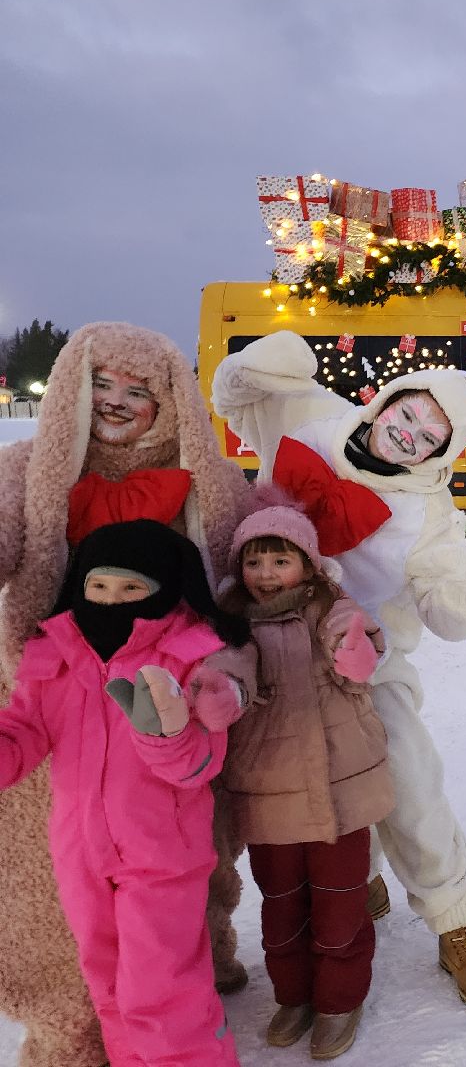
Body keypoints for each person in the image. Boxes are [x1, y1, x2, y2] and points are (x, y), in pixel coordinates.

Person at [212, 330, 466, 1008]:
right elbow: (235, 399)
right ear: (388, 400)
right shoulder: (312, 419)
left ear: (440, 453)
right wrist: (256, 366)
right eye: (409, 413)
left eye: (431, 437)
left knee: (409, 779)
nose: (410, 434)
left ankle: (452, 919)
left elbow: (448, 595)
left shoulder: (427, 511)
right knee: (234, 791)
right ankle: (198, 937)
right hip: (261, 648)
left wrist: (458, 590)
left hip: (364, 666)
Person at [0, 323, 255, 1065]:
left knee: (188, 864)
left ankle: (189, 998)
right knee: (60, 899)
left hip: (177, 688)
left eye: (137, 390)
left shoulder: (204, 475)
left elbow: (247, 555)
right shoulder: (30, 467)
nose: (115, 401)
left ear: (169, 402)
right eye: (100, 385)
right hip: (53, 685)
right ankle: (75, 1026)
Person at [219, 500, 393, 1058]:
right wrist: (222, 694)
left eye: (281, 560)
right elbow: (229, 669)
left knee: (341, 906)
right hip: (268, 793)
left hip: (341, 787)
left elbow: (356, 639)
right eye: (254, 562)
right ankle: (294, 996)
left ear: (308, 565)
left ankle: (339, 1000)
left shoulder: (330, 607)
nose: (266, 574)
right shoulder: (232, 621)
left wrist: (354, 650)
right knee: (281, 908)